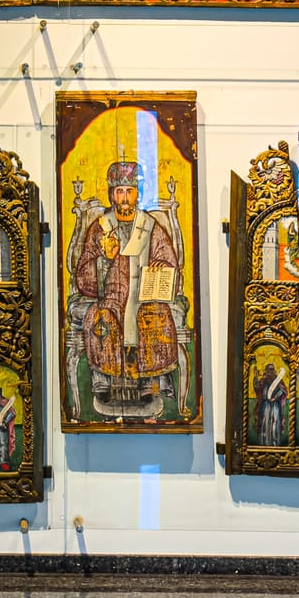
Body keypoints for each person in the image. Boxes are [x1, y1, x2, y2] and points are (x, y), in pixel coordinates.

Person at [70, 159, 184, 414]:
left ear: (137, 194)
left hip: (144, 296)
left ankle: (150, 384)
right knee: (101, 318)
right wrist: (104, 259)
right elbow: (83, 275)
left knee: (154, 317)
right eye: (119, 191)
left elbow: (169, 262)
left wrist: (160, 266)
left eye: (129, 191)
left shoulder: (150, 227)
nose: (124, 197)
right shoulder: (100, 228)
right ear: (112, 194)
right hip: (110, 297)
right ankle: (104, 381)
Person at [253, 360, 288, 446]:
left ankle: (275, 443)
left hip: (275, 406)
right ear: (266, 371)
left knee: (275, 424)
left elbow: (283, 391)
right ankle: (265, 443)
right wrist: (255, 377)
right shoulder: (264, 380)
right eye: (269, 369)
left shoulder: (278, 380)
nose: (271, 371)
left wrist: (275, 398)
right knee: (265, 424)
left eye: (272, 369)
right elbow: (257, 388)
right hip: (265, 406)